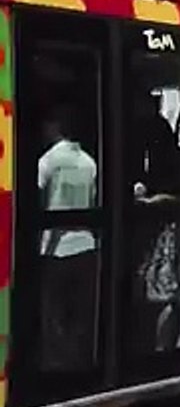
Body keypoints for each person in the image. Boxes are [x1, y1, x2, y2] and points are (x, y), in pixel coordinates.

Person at [37, 107, 99, 371]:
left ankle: (55, 363)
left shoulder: (47, 161)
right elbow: (93, 201)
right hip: (85, 245)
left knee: (54, 311)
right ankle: (78, 362)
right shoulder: (89, 162)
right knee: (79, 313)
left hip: (55, 248)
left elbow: (38, 200)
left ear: (55, 126)